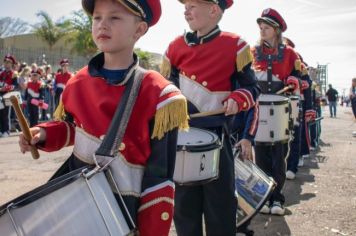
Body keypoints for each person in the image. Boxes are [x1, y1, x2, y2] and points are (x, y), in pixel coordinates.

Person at [18, 0, 189, 235]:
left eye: (114, 18)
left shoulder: (160, 93)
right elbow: (72, 127)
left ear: (139, 30)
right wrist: (44, 133)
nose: (102, 25)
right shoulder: (77, 82)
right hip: (77, 203)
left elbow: (159, 180)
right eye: (97, 17)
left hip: (126, 209)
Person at [161, 1, 260, 235]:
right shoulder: (175, 47)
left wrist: (239, 98)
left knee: (221, 208)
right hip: (182, 140)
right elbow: (166, 88)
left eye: (193, 5)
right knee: (184, 210)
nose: (186, 10)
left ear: (214, 10)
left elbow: (252, 88)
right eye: (185, 5)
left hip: (218, 138)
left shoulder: (235, 45)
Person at [251, 8, 305, 215]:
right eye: (260, 27)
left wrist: (295, 81)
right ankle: (263, 199)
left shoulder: (291, 54)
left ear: (276, 30)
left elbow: (302, 80)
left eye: (266, 27)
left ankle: (277, 200)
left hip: (281, 109)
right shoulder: (252, 52)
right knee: (261, 157)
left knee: (279, 158)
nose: (262, 31)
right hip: (259, 109)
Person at [0, 54, 18, 137]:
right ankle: (1, 130)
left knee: (6, 113)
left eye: (9, 62)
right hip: (0, 94)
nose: (7, 64)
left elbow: (14, 86)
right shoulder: (1, 73)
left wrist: (5, 88)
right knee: (0, 112)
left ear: (12, 64)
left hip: (8, 95)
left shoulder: (14, 74)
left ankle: (6, 130)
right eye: (5, 62)